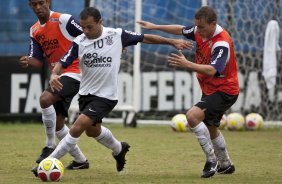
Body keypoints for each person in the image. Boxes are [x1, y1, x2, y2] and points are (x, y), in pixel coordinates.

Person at [48, 7, 191, 173]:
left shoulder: (116, 35)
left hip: (106, 96)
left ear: (100, 22)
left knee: (77, 126)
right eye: (83, 27)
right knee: (92, 131)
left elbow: (146, 38)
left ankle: (48, 162)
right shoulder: (79, 41)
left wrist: (171, 41)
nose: (85, 31)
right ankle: (119, 149)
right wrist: (54, 75)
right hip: (86, 94)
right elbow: (63, 62)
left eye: (89, 27)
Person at [137, 6, 239, 178]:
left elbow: (212, 70)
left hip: (225, 90)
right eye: (197, 27)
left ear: (213, 24)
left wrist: (187, 65)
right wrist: (154, 26)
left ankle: (211, 160)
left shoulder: (221, 42)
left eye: (202, 27)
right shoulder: (201, 30)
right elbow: (180, 29)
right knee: (211, 128)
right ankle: (226, 164)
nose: (198, 31)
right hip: (211, 89)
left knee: (192, 116)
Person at [19, 0, 89, 176]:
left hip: (76, 71)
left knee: (45, 98)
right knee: (58, 126)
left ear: (48, 2)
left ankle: (49, 146)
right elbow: (37, 59)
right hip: (58, 76)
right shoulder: (34, 30)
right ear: (30, 6)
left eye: (41, 3)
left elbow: (89, 33)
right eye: (34, 4)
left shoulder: (63, 19)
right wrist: (27, 60)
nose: (38, 7)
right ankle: (81, 161)